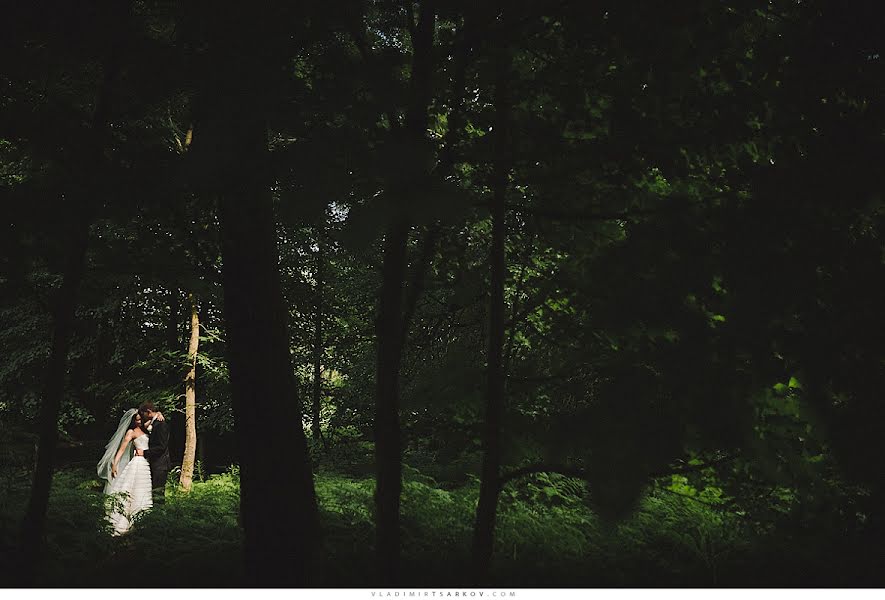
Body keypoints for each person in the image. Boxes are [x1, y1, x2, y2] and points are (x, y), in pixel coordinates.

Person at [98, 409, 153, 536]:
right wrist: (114, 464)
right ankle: (123, 523)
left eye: (141, 419)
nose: (139, 421)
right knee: (131, 489)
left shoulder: (147, 428)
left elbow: (154, 418)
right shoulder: (131, 432)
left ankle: (142, 523)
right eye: (137, 419)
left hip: (146, 463)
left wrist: (159, 414)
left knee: (143, 490)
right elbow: (122, 449)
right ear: (133, 421)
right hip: (138, 462)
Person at [135, 401, 171, 505]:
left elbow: (161, 447)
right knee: (153, 491)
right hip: (154, 463)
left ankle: (159, 517)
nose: (143, 417)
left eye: (144, 414)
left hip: (160, 464)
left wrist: (144, 453)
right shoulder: (154, 423)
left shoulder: (161, 424)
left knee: (158, 493)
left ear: (149, 412)